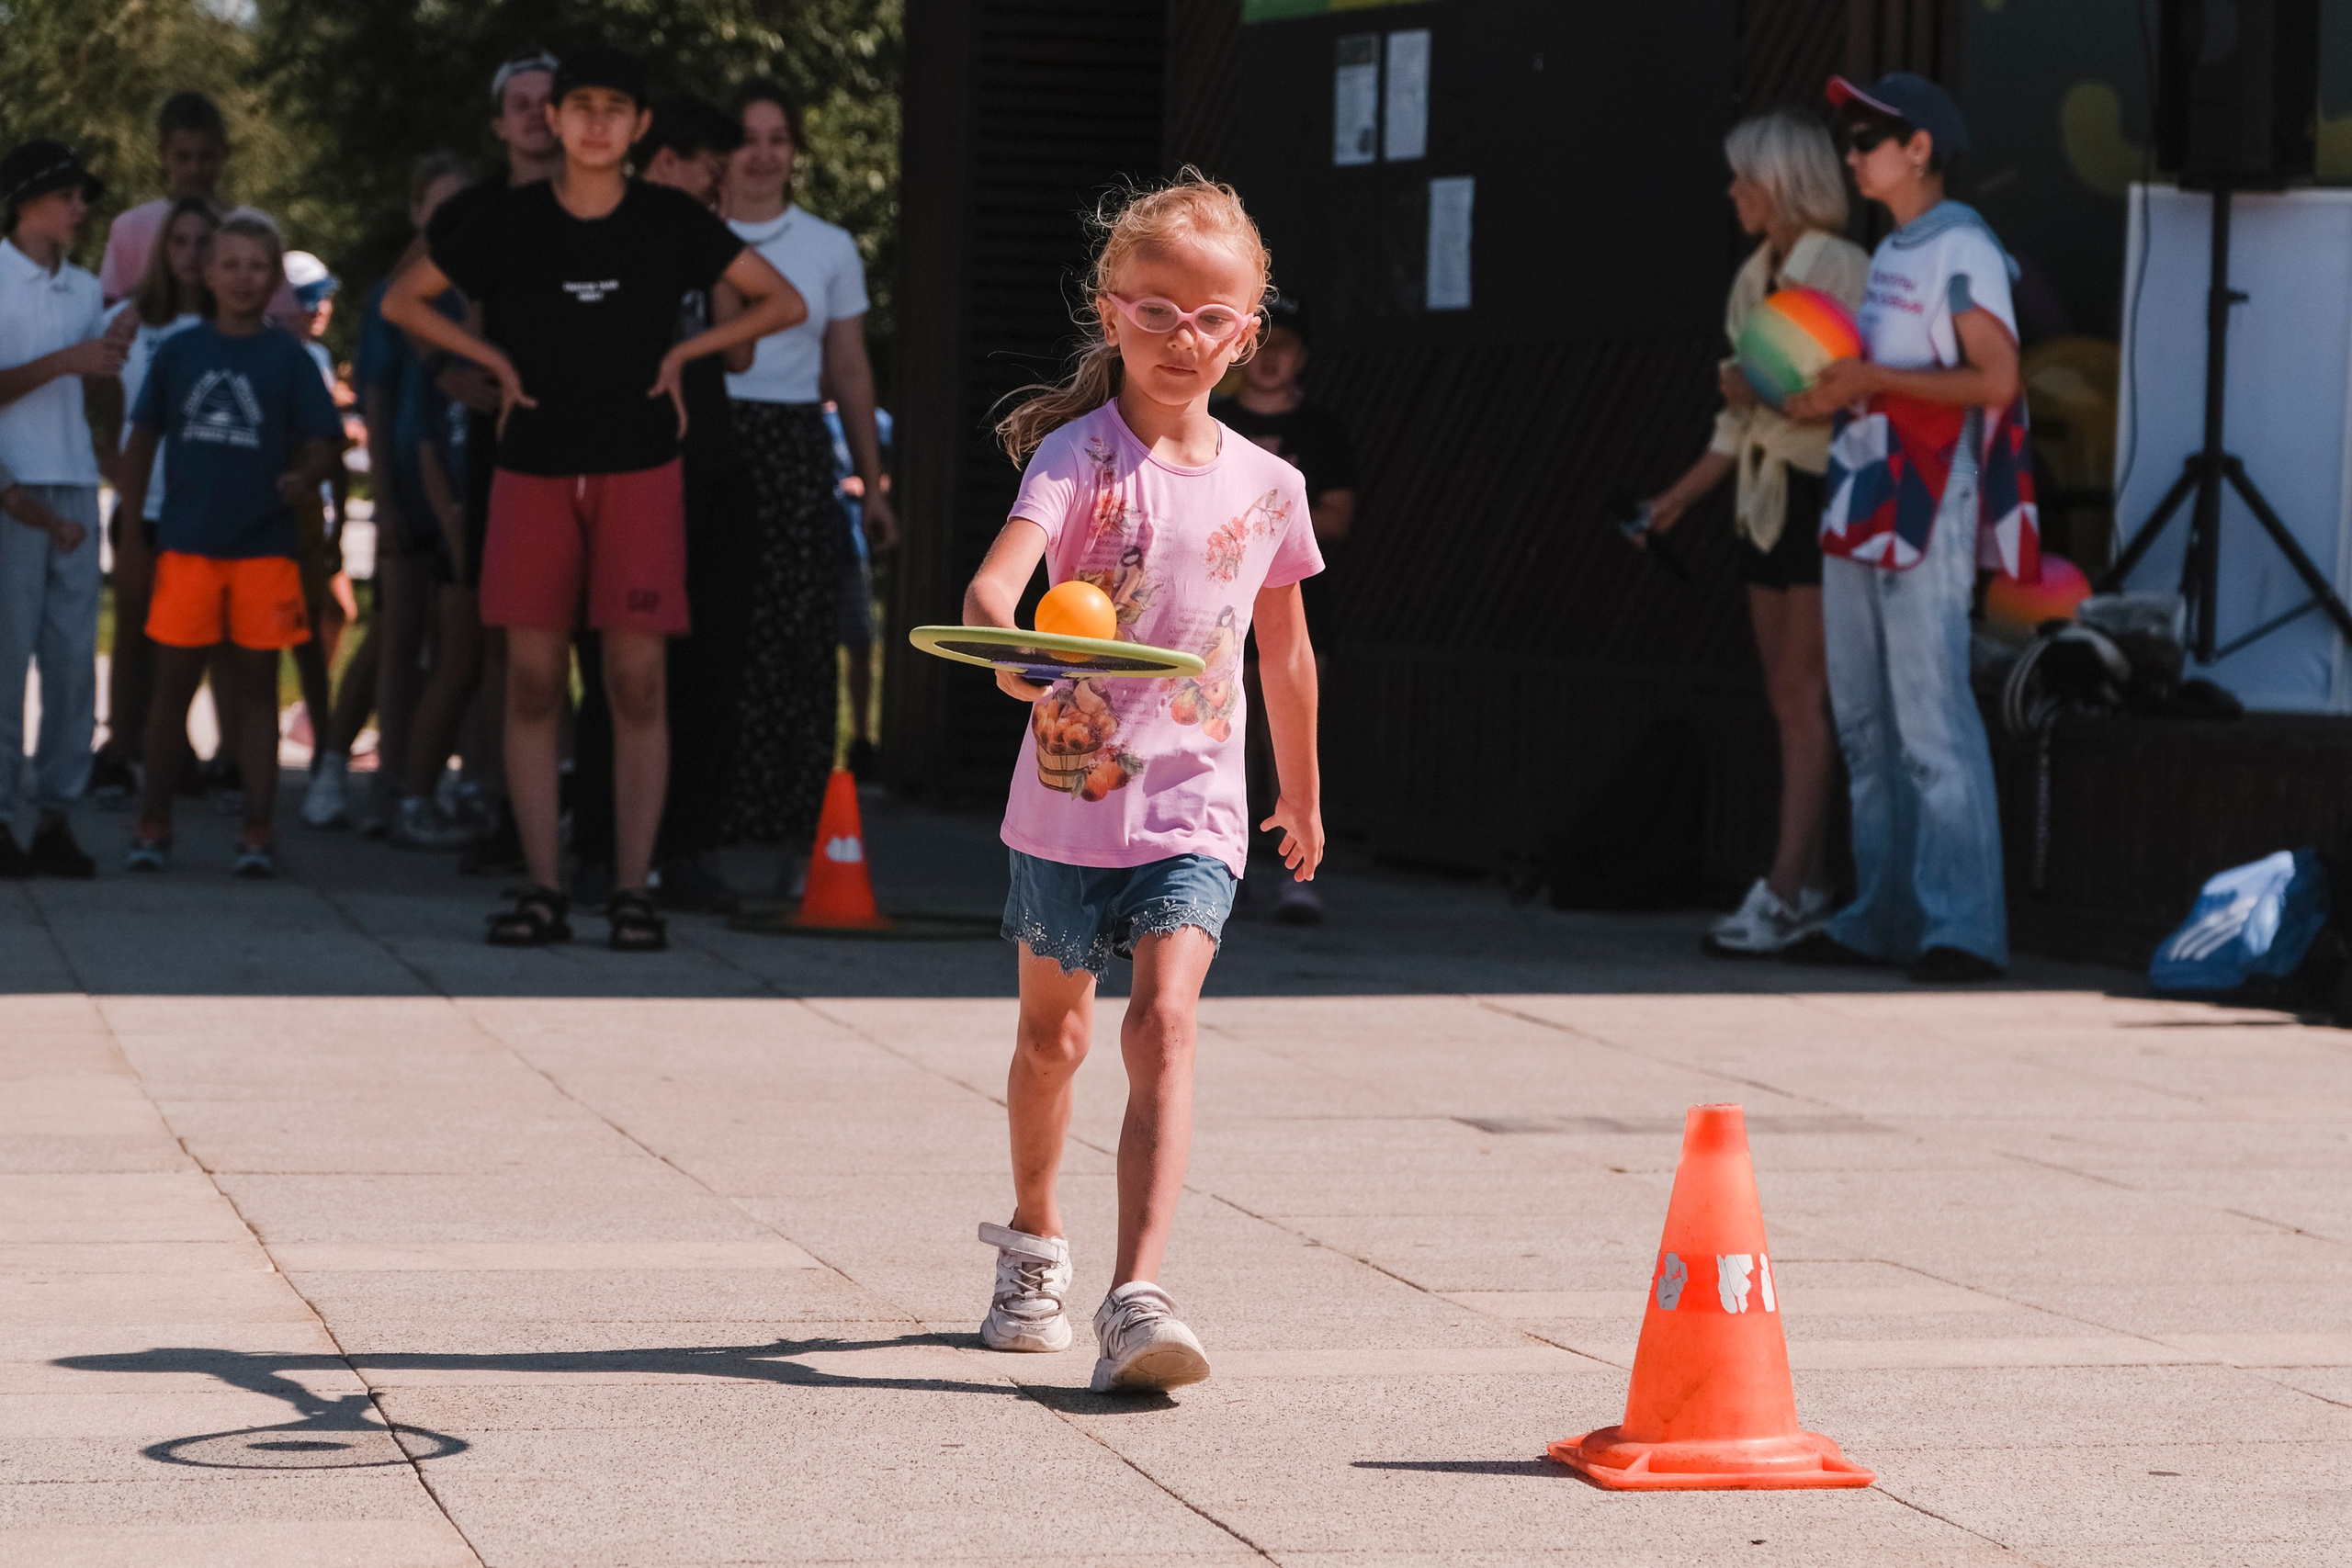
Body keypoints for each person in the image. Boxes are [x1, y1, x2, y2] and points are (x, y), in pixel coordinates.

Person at [963, 173, 1324, 1393]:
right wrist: (1014, 657)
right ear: (1111, 311)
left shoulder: (1269, 485)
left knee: (1164, 1025)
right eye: (1156, 310)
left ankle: (1139, 1290)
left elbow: (1286, 649)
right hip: (1066, 796)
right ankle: (1034, 1235)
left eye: (1210, 317)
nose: (1183, 338)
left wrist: (1306, 796)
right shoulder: (1077, 454)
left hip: (1195, 807)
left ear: (1249, 331)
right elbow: (987, 595)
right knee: (1053, 1039)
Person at [386, 45, 806, 950]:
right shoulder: (509, 218)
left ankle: (630, 890)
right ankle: (543, 887)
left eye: (617, 106)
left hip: (641, 470)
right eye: (581, 105)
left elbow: (782, 303)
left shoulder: (667, 219)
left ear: (638, 125)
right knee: (534, 683)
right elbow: (403, 300)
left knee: (636, 681)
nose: (597, 121)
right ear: (555, 120)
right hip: (531, 469)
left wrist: (686, 356)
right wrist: (490, 361)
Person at [1781, 73, 2037, 984]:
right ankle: (1882, 916)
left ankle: (1961, 926)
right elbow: (1888, 380)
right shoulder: (1894, 250)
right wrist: (1823, 393)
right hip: (1867, 491)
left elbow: (1995, 382)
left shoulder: (1959, 241)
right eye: (1848, 139)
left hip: (1926, 499)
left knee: (1927, 718)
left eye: (1865, 138)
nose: (1849, 155)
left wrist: (1865, 384)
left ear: (1918, 147)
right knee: (1864, 719)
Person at [1644, 108, 1868, 955]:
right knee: (1785, 696)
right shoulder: (1754, 275)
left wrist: (1757, 391)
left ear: (1782, 185)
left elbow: (1840, 390)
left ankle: (1789, 887)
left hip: (1819, 490)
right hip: (1764, 498)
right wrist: (1676, 499)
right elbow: (1738, 420)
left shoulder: (1840, 266)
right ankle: (1799, 878)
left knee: (1803, 697)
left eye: (1746, 177)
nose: (1734, 191)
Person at [572, 97, 759, 913]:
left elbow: (746, 347)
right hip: (616, 469)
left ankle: (685, 848)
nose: (721, 184)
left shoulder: (711, 249)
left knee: (707, 668)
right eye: (708, 168)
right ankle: (596, 849)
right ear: (662, 162)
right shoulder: (607, 236)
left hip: (708, 477)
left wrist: (713, 249)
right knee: (612, 668)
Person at [116, 213, 342, 876]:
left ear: (274, 278)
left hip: (265, 550)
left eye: (256, 267)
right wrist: (134, 534)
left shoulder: (291, 359)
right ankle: (153, 821)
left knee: (255, 688)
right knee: (172, 688)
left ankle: (257, 828)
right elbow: (142, 440)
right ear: (206, 273)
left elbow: (327, 441)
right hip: (187, 544)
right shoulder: (180, 353)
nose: (243, 278)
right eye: (231, 264)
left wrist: (307, 475)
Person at [718, 79, 897, 898]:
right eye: (748, 137)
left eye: (777, 137)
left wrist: (875, 482)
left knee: (799, 641)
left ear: (795, 150)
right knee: (707, 633)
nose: (762, 154)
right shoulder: (690, 233)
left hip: (794, 440)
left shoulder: (828, 247)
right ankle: (695, 828)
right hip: (704, 433)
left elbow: (849, 368)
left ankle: (798, 831)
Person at [410, 50, 565, 872]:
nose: (537, 115)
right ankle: (508, 811)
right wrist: (448, 365)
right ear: (501, 120)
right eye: (522, 102)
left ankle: (562, 809)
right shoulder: (474, 208)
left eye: (550, 100)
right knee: (501, 633)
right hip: (503, 444)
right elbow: (401, 296)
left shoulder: (597, 197)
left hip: (598, 443)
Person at [309, 154, 471, 838]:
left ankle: (428, 782)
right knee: (396, 633)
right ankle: (345, 765)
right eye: (439, 208)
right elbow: (374, 398)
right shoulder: (394, 294)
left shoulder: (485, 287)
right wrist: (388, 498)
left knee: (461, 642)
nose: (452, 221)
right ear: (416, 213)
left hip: (466, 475)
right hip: (409, 473)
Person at [1209, 289, 1354, 926]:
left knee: (1287, 738)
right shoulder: (1209, 418)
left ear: (1305, 357)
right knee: (1225, 735)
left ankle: (1299, 873)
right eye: (1262, 345)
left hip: (1299, 604)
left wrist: (1253, 532)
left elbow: (1337, 517)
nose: (1271, 361)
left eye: (1286, 347)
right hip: (1218, 604)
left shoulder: (1323, 430)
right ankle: (1222, 865)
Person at [0, 141, 123, 879]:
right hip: (13, 483)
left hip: (74, 477)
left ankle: (53, 813)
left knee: (74, 660)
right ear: (25, 200)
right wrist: (67, 363)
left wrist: (106, 360)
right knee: (7, 656)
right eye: (68, 194)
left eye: (84, 196)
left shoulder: (83, 289)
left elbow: (93, 388)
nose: (80, 208)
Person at [88, 196, 218, 808]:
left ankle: (176, 750)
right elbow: (102, 403)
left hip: (207, 507)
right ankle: (119, 749)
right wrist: (114, 469)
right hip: (144, 500)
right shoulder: (132, 320)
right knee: (135, 632)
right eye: (180, 242)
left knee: (193, 635)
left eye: (202, 243)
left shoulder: (232, 325)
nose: (191, 255)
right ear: (162, 250)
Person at [99, 92, 301, 329]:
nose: (194, 169)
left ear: (224, 153)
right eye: (183, 157)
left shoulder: (256, 226)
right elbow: (109, 308)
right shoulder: (131, 226)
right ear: (163, 155)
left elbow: (284, 318)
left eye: (206, 157)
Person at [279, 249, 356, 770]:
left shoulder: (319, 357)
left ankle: (315, 724)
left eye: (324, 297)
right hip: (288, 510)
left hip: (319, 510)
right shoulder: (277, 355)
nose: (321, 308)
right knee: (295, 631)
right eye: (309, 299)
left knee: (336, 613)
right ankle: (317, 737)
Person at [822, 397, 889, 781]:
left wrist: (870, 486)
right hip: (811, 546)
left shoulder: (870, 417)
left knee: (860, 645)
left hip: (852, 547)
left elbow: (898, 470)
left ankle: (861, 741)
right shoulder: (804, 413)